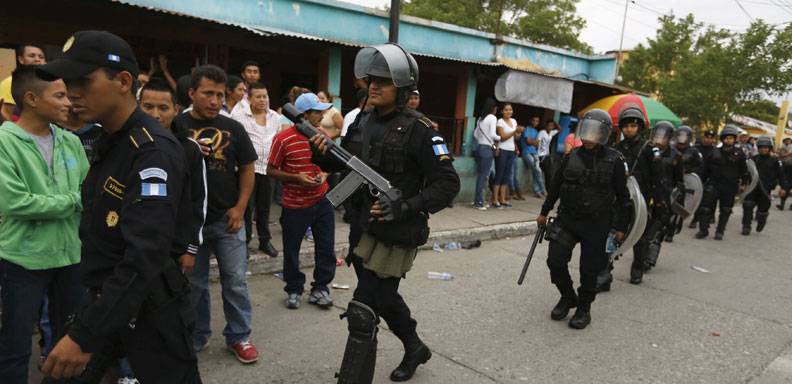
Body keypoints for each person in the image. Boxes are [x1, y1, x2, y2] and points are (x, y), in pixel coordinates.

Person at [37, 30, 201, 382]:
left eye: (83, 80)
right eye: (68, 82)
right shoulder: (112, 138)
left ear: (124, 81)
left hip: (149, 305)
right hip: (106, 299)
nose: (71, 93)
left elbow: (144, 255)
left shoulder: (153, 150)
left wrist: (83, 336)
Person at [311, 43, 460, 383]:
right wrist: (320, 152)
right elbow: (343, 162)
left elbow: (447, 184)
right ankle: (414, 346)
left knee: (363, 311)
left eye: (384, 81)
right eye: (371, 79)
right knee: (383, 296)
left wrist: (405, 205)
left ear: (404, 89)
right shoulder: (363, 120)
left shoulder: (421, 130)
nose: (373, 86)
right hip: (362, 225)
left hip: (397, 232)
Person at [0, 66, 89, 384]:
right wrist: (71, 202)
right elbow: (14, 203)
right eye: (60, 95)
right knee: (15, 346)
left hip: (69, 256)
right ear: (31, 99)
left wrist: (70, 201)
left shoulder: (70, 142)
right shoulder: (4, 142)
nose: (69, 102)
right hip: (22, 258)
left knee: (68, 342)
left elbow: (88, 193)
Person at [174, 65, 259, 363]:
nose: (214, 101)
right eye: (207, 93)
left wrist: (240, 207)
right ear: (191, 93)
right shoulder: (175, 126)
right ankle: (196, 336)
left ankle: (239, 336)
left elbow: (248, 168)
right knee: (193, 285)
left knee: (235, 280)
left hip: (228, 221)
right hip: (190, 225)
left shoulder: (233, 128)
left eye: (219, 95)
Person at [536, 108, 630, 330]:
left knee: (589, 271)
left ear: (604, 134)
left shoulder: (615, 161)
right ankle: (568, 297)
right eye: (587, 130)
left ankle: (583, 308)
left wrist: (620, 226)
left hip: (597, 224)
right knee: (555, 261)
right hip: (567, 219)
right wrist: (544, 211)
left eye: (596, 132)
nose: (590, 136)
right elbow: (555, 188)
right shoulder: (571, 157)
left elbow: (624, 198)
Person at [267, 92, 336, 309]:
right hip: (294, 205)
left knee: (326, 247)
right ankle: (294, 289)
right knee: (292, 249)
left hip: (322, 201)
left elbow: (328, 164)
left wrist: (323, 175)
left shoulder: (321, 134)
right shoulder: (283, 139)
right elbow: (271, 170)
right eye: (317, 113)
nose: (321, 116)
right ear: (304, 115)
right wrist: (296, 178)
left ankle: (321, 288)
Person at [140, 78, 207, 272]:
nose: (156, 115)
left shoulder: (189, 149)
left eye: (163, 108)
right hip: (132, 244)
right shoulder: (128, 143)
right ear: (138, 107)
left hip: (174, 247)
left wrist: (191, 248)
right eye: (148, 107)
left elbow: (198, 201)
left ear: (175, 110)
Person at [629, 121, 683, 284]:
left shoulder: (675, 156)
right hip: (643, 195)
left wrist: (674, 200)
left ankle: (645, 262)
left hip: (663, 198)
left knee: (653, 233)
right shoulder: (645, 150)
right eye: (656, 135)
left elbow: (679, 181)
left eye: (662, 137)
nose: (659, 140)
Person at [231, 82, 281, 257]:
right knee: (246, 207)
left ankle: (265, 241)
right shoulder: (239, 117)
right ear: (249, 98)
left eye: (265, 96)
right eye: (258, 96)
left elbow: (277, 141)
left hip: (268, 169)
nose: (262, 100)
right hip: (247, 170)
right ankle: (244, 243)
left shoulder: (275, 117)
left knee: (264, 207)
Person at [695, 125, 748, 240]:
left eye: (731, 138)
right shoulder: (714, 153)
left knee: (725, 209)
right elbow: (705, 169)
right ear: (723, 139)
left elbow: (744, 170)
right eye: (726, 138)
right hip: (713, 183)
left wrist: (744, 184)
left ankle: (720, 231)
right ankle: (703, 230)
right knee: (705, 208)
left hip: (730, 186)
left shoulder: (739, 154)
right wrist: (700, 183)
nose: (729, 140)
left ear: (734, 139)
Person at [742, 137, 787, 235]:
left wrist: (783, 188)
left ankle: (761, 223)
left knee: (763, 210)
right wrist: (744, 184)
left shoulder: (775, 161)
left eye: (766, 147)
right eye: (761, 147)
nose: (763, 149)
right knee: (748, 205)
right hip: (753, 188)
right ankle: (746, 227)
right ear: (758, 148)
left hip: (766, 190)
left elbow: (782, 175)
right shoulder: (753, 159)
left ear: (770, 148)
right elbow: (746, 173)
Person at [665, 125, 702, 243]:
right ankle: (664, 229)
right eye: (680, 135)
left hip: (685, 183)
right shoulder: (670, 150)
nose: (682, 138)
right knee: (666, 206)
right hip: (670, 181)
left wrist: (688, 170)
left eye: (684, 136)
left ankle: (671, 231)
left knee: (677, 209)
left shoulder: (694, 152)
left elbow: (700, 167)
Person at [0, 44, 47, 121]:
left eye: (41, 57)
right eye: (32, 56)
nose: (37, 59)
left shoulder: (49, 83)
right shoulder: (11, 82)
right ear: (21, 59)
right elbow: (7, 115)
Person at [493, 103, 523, 207]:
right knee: (499, 174)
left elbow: (516, 138)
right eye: (506, 110)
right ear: (502, 111)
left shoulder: (514, 121)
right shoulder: (500, 122)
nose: (508, 111)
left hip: (511, 150)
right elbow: (503, 137)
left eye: (510, 109)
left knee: (507, 175)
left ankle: (502, 199)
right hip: (502, 150)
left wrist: (519, 133)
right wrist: (515, 131)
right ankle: (495, 199)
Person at [472, 98, 499, 210]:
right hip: (487, 149)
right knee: (484, 177)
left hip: (479, 147)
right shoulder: (492, 117)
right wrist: (501, 137)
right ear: (493, 108)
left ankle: (476, 200)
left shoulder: (480, 119)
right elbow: (493, 134)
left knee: (480, 176)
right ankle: (479, 202)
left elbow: (475, 135)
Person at [688, 129, 718, 228]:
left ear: (714, 140)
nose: (708, 140)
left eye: (711, 138)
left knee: (702, 200)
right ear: (703, 137)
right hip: (694, 178)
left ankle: (695, 219)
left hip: (707, 179)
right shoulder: (695, 149)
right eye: (707, 137)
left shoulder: (715, 152)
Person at [519, 116, 545, 198]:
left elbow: (537, 144)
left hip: (534, 153)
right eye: (534, 120)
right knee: (536, 170)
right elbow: (528, 141)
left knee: (537, 171)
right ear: (531, 121)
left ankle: (538, 191)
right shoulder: (527, 129)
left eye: (537, 121)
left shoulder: (536, 131)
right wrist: (534, 142)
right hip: (526, 153)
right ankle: (542, 190)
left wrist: (533, 142)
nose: (535, 122)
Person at [776, 137, 792, 210]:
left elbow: (785, 154)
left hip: (789, 166)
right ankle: (782, 204)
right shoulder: (784, 146)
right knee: (786, 185)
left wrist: (783, 154)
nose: (788, 141)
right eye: (787, 140)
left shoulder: (790, 146)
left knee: (786, 185)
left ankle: (782, 205)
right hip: (787, 166)